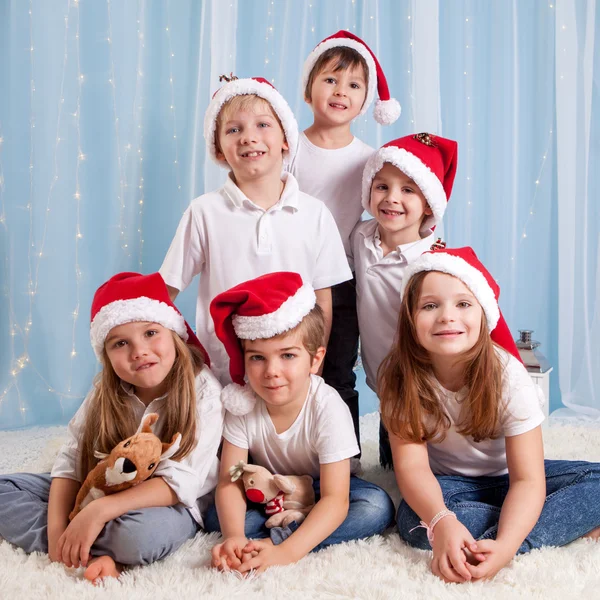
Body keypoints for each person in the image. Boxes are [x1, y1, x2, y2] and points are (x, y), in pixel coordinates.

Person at [378, 246, 600, 583]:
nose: (447, 316)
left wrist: (508, 545)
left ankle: (505, 538)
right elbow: (412, 468)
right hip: (448, 487)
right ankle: (559, 522)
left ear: (484, 314)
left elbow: (527, 479)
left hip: (509, 477)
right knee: (414, 521)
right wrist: (443, 521)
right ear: (410, 319)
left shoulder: (508, 375)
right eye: (430, 305)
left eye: (463, 304)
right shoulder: (399, 377)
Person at [0, 272, 224, 584]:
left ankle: (95, 539)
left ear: (173, 333)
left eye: (150, 333)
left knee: (136, 537)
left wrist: (98, 512)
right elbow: (70, 460)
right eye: (121, 343)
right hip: (103, 485)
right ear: (106, 355)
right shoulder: (105, 391)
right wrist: (55, 534)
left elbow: (180, 482)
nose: (139, 351)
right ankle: (79, 547)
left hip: (169, 504)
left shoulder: (204, 392)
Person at [160, 76, 351, 385]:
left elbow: (323, 299)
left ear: (286, 138)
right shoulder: (204, 211)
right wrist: (186, 353)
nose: (249, 137)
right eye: (234, 130)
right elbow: (166, 289)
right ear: (219, 150)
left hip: (293, 373)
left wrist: (315, 359)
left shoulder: (315, 213)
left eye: (263, 125)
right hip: (225, 373)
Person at [205, 271, 395, 573]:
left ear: (315, 360)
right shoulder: (242, 404)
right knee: (217, 516)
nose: (271, 371)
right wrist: (234, 537)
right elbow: (230, 482)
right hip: (269, 489)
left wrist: (287, 551)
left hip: (323, 487)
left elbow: (335, 499)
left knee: (375, 507)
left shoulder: (327, 405)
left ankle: (282, 537)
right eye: (257, 358)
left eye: (288, 355)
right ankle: (266, 534)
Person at [290, 31, 400, 449]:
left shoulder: (369, 158)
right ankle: (287, 448)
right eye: (330, 79)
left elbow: (386, 213)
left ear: (367, 99)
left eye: (354, 84)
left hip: (341, 279)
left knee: (337, 369)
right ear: (308, 88)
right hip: (289, 275)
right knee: (289, 365)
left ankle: (346, 456)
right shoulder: (289, 149)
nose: (341, 91)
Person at [352, 132, 457, 468]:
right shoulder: (360, 237)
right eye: (382, 186)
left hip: (425, 379)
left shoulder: (431, 260)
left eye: (407, 190)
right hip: (384, 377)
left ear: (428, 203)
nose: (391, 198)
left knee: (428, 460)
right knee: (390, 463)